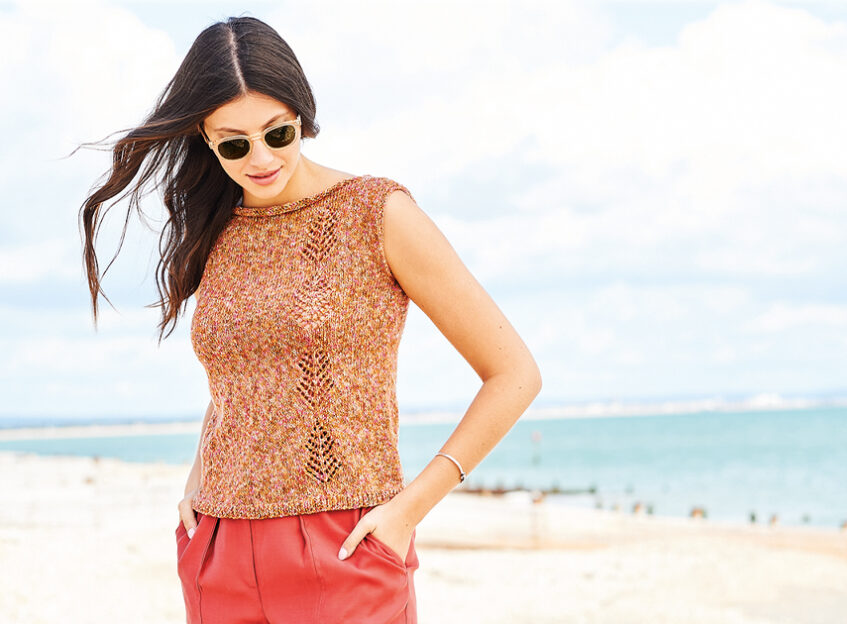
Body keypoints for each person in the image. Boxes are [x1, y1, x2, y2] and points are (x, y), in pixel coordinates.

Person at [75, 15, 542, 624]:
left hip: (346, 546)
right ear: (206, 140)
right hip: (218, 547)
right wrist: (196, 487)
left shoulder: (376, 214)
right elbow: (238, 384)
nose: (261, 158)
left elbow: (514, 373)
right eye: (234, 144)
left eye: (278, 133)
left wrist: (407, 511)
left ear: (303, 115)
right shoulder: (216, 231)